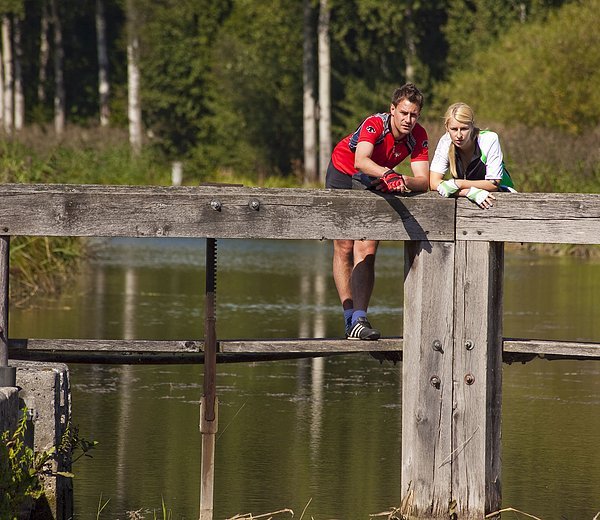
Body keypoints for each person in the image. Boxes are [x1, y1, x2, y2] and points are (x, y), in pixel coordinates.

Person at [326, 83, 430, 340]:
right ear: (392, 110)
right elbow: (361, 160)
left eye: (414, 114)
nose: (408, 120)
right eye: (404, 113)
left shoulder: (418, 135)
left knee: (368, 249)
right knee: (344, 247)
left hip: (374, 179)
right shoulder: (375, 124)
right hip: (343, 171)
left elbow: (424, 179)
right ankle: (349, 316)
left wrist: (402, 181)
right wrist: (388, 173)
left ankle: (360, 318)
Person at [430, 102, 515, 209]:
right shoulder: (445, 141)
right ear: (447, 128)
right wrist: (468, 192)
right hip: (470, 201)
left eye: (464, 129)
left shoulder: (489, 139)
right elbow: (433, 183)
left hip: (503, 198)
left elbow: (494, 184)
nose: (459, 135)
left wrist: (458, 184)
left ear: (472, 126)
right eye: (454, 129)